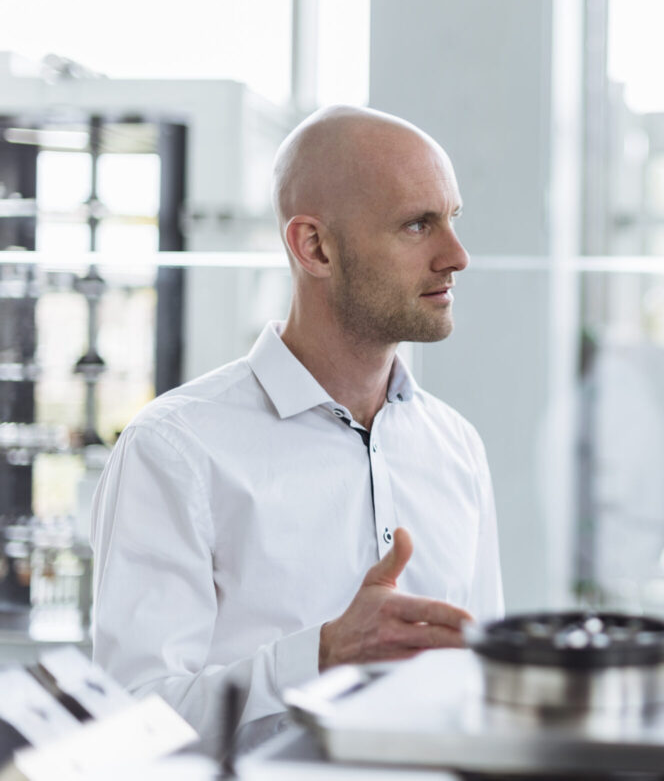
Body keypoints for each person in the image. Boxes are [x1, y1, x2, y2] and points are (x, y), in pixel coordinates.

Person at [91, 106, 503, 749]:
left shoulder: (456, 446)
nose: (456, 256)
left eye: (452, 219)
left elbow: (480, 684)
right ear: (315, 247)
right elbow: (129, 725)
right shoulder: (176, 449)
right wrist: (319, 656)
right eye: (418, 225)